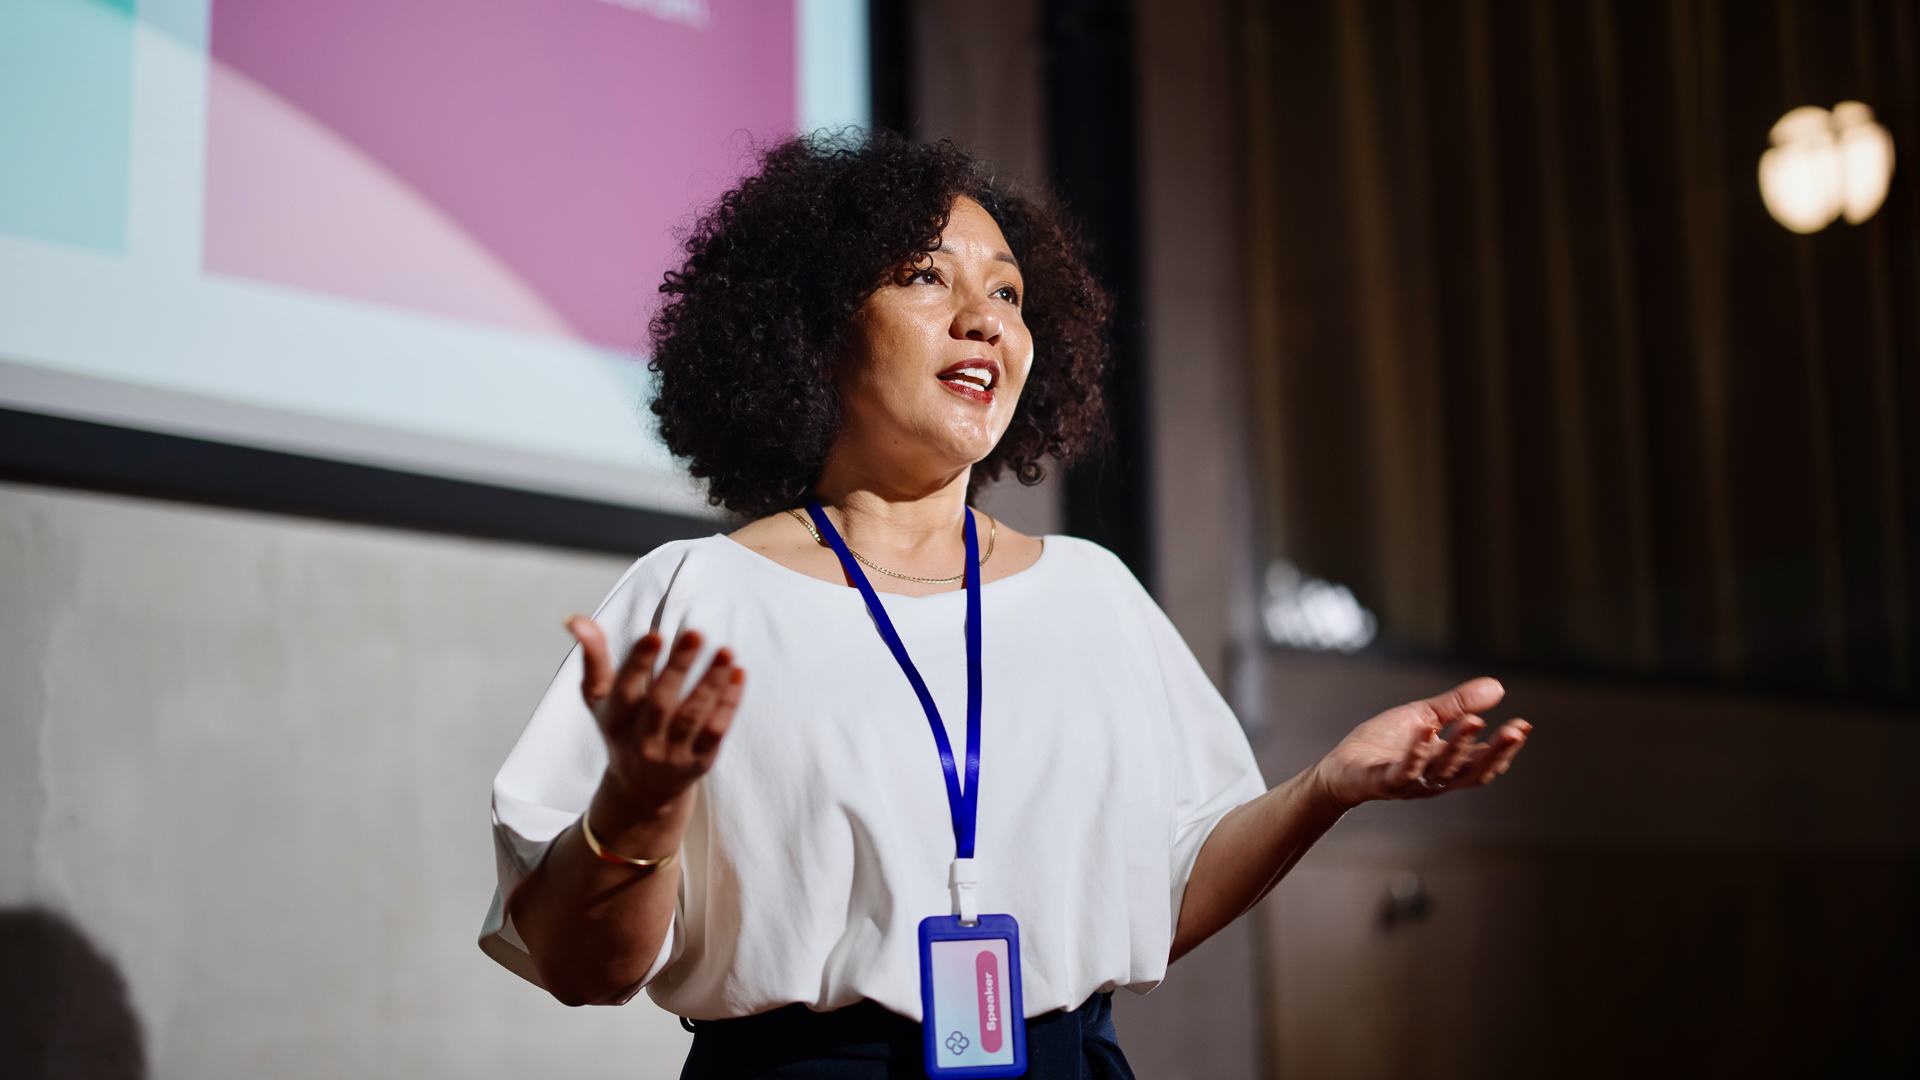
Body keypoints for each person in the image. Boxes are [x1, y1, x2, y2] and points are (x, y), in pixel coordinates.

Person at [479, 134, 1530, 1079]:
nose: (983, 317)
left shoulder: (1093, 592)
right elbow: (582, 970)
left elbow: (1158, 900)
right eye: (926, 278)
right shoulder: (698, 595)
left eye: (1010, 294)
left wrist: (1328, 788)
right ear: (815, 329)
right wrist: (643, 803)